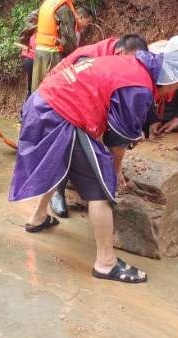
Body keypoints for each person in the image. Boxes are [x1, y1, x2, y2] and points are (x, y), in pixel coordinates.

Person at [9, 49, 178, 284]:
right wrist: (115, 171)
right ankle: (106, 263)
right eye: (176, 89)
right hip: (64, 114)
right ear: (176, 83)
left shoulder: (133, 62)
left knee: (59, 161)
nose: (171, 93)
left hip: (42, 102)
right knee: (100, 187)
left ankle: (37, 217)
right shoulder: (139, 86)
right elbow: (118, 138)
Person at [46, 33, 148, 218]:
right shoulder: (92, 59)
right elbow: (82, 99)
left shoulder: (118, 60)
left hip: (81, 98)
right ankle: (57, 190)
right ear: (119, 52)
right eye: (129, 61)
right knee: (70, 141)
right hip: (59, 97)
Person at [31, 0, 85, 90]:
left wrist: (25, 39)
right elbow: (69, 40)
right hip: (52, 57)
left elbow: (30, 21)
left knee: (38, 92)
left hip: (39, 54)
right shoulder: (64, 9)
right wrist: (73, 58)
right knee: (53, 93)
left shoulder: (48, 2)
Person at [17, 10, 38, 100]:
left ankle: (26, 109)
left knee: (30, 88)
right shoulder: (38, 31)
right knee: (34, 89)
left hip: (27, 61)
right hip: (33, 61)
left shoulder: (29, 31)